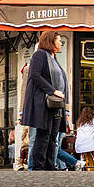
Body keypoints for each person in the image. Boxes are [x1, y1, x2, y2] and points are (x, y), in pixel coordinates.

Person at [23, 31, 68, 171]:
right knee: (44, 135)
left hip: (56, 103)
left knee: (53, 136)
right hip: (44, 101)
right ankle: (38, 166)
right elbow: (35, 75)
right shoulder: (40, 55)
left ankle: (49, 165)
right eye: (58, 40)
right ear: (50, 41)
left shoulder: (54, 58)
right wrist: (53, 91)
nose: (60, 43)